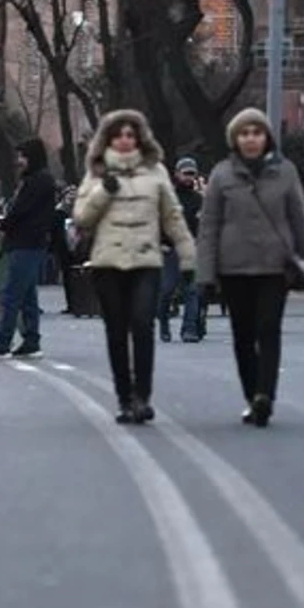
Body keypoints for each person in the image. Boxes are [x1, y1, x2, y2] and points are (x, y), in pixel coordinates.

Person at [197, 108, 304, 427]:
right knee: (242, 334)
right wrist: (204, 273)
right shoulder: (221, 174)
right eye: (244, 133)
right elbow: (209, 226)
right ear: (235, 139)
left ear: (266, 137)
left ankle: (265, 396)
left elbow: (301, 222)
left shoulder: (284, 172)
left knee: (268, 329)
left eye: (256, 133)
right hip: (234, 267)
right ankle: (251, 395)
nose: (251, 139)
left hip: (274, 266)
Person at [72, 111, 194, 424]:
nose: (125, 141)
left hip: (145, 259)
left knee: (142, 323)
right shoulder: (96, 172)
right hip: (108, 262)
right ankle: (124, 398)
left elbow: (172, 215)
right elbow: (82, 218)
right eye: (118, 135)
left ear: (139, 139)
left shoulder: (156, 171)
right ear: (109, 140)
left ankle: (143, 396)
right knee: (116, 329)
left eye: (130, 135)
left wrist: (188, 255)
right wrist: (104, 191)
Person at [0, 139, 56, 359]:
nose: (18, 161)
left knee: (10, 294)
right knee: (27, 295)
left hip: (26, 243)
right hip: (29, 242)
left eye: (22, 156)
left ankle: (2, 341)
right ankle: (31, 341)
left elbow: (21, 210)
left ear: (32, 156)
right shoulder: (38, 180)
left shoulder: (36, 181)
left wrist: (3, 226)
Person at [158, 156, 205, 343]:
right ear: (177, 174)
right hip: (170, 249)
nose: (189, 177)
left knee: (192, 290)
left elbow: (204, 224)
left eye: (192, 174)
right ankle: (163, 322)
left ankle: (189, 329)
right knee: (167, 290)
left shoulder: (198, 200)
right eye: (185, 173)